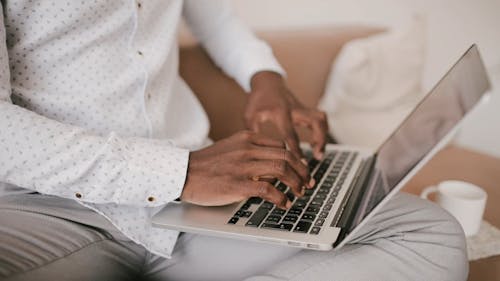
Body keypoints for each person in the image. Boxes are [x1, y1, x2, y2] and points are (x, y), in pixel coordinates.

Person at [0, 1, 468, 280]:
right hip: (48, 207)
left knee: (431, 235)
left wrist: (266, 80)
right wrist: (181, 172)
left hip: (186, 217)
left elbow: (214, 15)